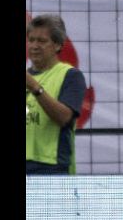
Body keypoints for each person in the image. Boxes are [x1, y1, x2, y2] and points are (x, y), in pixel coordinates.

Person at [26, 15, 87, 175]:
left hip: (52, 166)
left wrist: (34, 87)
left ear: (58, 45)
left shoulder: (71, 76)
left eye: (42, 41)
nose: (34, 46)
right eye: (31, 40)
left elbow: (63, 118)